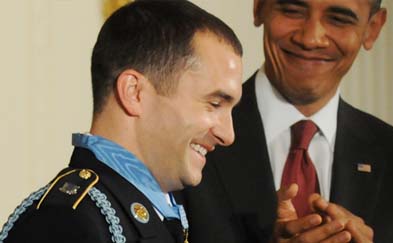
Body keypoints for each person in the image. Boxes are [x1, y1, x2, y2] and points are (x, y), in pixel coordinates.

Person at [181, 0, 393, 242]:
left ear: (372, 28)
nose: (311, 38)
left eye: (339, 19)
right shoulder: (186, 137)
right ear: (259, 7)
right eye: (293, 11)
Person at [0, 1, 243, 242]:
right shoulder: (66, 222)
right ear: (134, 92)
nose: (228, 135)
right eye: (214, 104)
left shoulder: (173, 214)